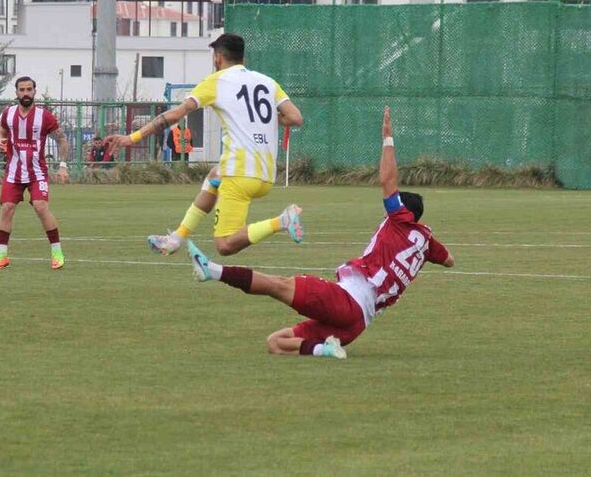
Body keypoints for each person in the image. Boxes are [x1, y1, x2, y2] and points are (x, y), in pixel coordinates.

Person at [185, 107, 455, 359]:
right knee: (275, 342)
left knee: (277, 285)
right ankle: (323, 351)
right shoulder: (427, 242)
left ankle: (212, 271)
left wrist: (387, 138)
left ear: (404, 213)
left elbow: (388, 180)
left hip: (346, 301)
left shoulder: (400, 219)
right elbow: (449, 260)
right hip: (356, 324)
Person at [107, 32, 304, 257]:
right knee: (213, 177)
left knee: (225, 244)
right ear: (243, 59)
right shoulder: (267, 82)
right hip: (266, 174)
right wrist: (263, 120)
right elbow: (295, 117)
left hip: (239, 173)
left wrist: (131, 138)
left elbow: (176, 114)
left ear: (218, 58)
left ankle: (282, 221)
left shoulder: (215, 82)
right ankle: (176, 239)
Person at [0, 76, 70, 271]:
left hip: (36, 172)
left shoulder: (45, 116)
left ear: (34, 92)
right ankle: (2, 256)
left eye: (29, 89)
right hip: (13, 172)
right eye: (22, 90)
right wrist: (1, 140)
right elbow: (1, 132)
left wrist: (62, 165)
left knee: (40, 206)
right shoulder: (8, 114)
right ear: (16, 92)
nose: (25, 93)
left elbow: (62, 139)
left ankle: (57, 253)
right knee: (7, 208)